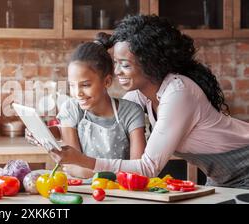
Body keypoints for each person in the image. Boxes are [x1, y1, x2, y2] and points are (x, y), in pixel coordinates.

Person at [50, 15, 249, 189]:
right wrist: (52, 133)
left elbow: (147, 168)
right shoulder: (139, 96)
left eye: (125, 64)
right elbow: (105, 117)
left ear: (150, 62)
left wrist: (83, 161)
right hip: (222, 178)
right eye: (116, 63)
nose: (117, 71)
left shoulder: (178, 93)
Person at [29, 40, 147, 178]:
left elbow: (137, 172)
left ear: (107, 81)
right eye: (72, 85)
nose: (77, 93)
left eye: (85, 85)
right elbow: (72, 166)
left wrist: (83, 170)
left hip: (121, 192)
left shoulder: (131, 112)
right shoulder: (71, 108)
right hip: (82, 191)